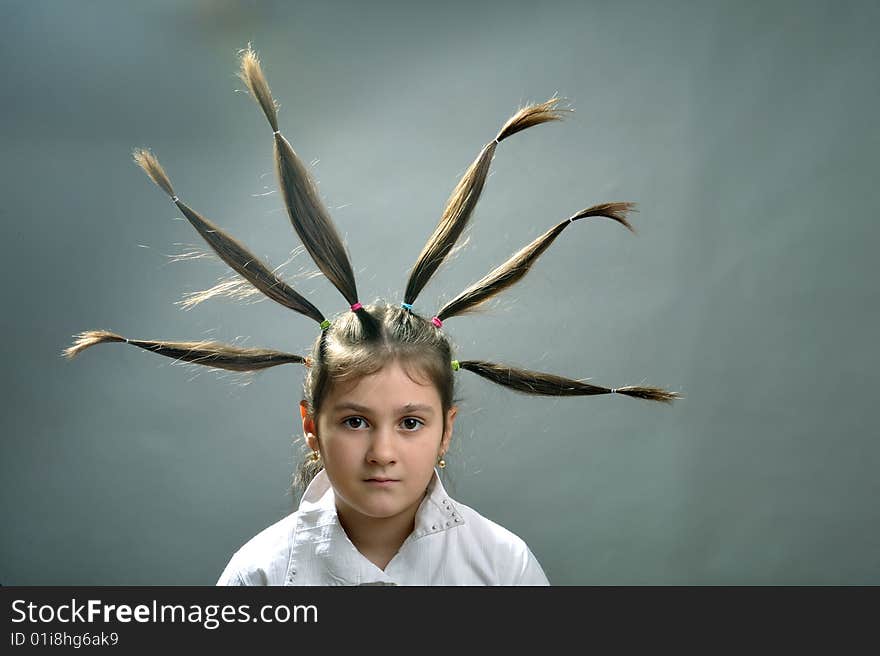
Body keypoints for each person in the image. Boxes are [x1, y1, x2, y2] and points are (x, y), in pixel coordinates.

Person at [63, 47, 680, 586]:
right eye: (355, 421)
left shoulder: (502, 570)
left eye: (411, 423)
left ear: (447, 430)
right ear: (312, 425)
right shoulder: (261, 575)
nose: (383, 451)